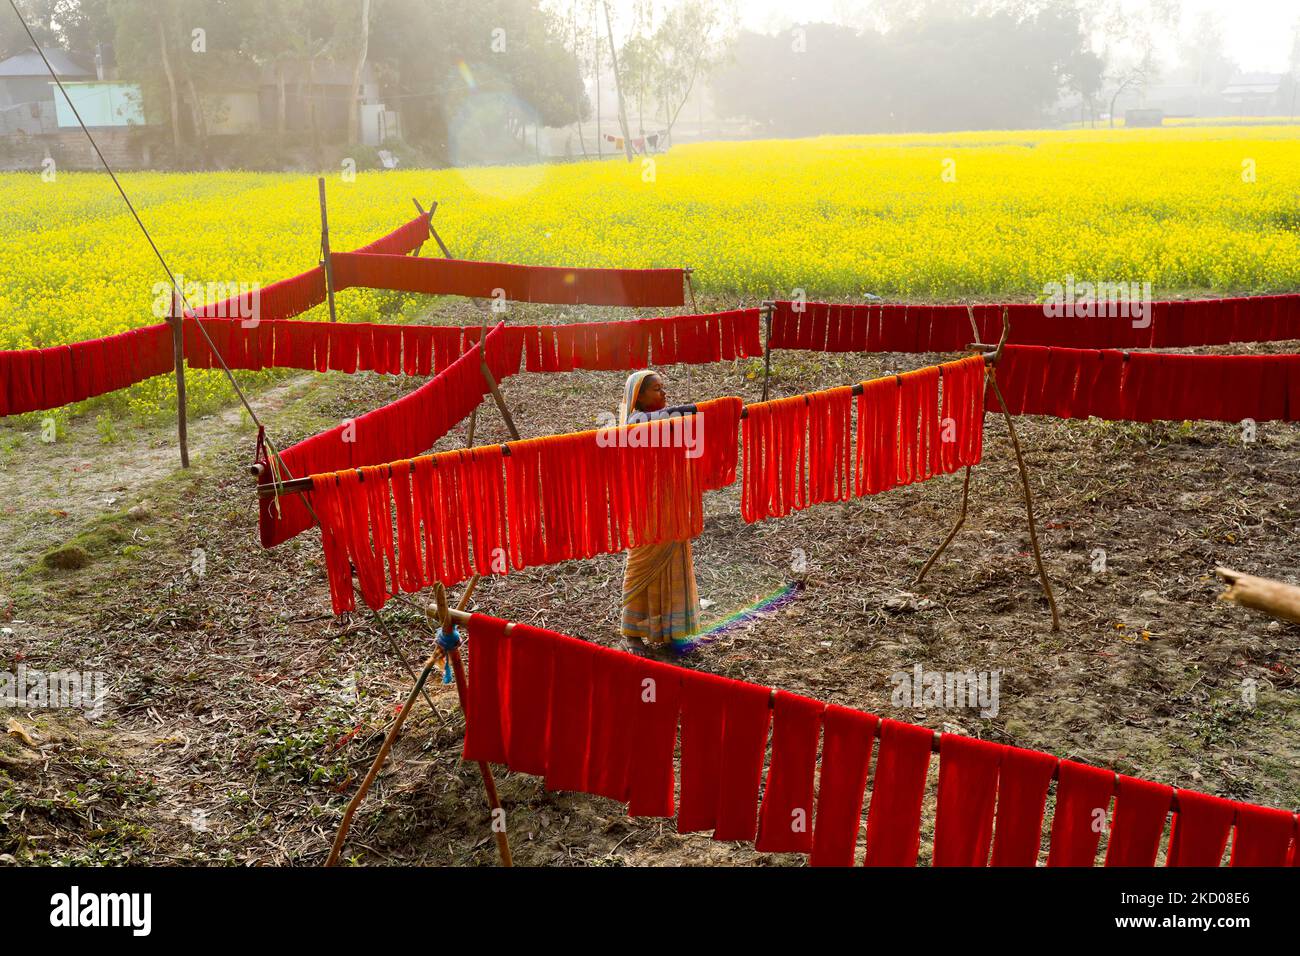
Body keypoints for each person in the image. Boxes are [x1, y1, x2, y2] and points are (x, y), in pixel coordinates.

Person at [618, 370, 701, 657]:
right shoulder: (632, 425)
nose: (663, 394)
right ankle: (632, 633)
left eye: (664, 388)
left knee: (674, 562)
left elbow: (694, 446)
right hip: (645, 509)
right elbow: (653, 422)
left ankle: (672, 631)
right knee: (641, 564)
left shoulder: (670, 421)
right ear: (638, 396)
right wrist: (693, 411)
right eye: (656, 389)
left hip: (672, 503)